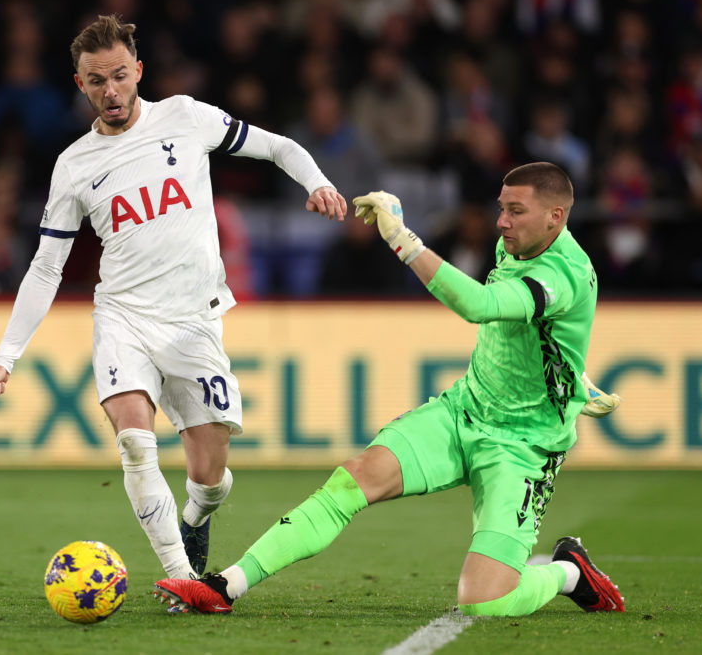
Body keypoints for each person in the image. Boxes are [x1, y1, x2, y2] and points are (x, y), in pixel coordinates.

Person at [154, 162, 625, 617]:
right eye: (502, 207)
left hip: (523, 448)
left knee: (487, 601)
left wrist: (402, 240)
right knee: (352, 479)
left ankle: (568, 572)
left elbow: (481, 306)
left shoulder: (562, 273)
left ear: (556, 216)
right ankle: (224, 586)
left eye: (516, 211)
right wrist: (569, 369)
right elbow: (536, 332)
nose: (501, 221)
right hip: (464, 412)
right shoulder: (518, 244)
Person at [0, 15, 346, 582]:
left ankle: (196, 516)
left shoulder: (185, 116)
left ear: (138, 71)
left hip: (195, 320)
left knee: (211, 476)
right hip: (124, 316)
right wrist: (6, 356)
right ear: (81, 85)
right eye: (96, 81)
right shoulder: (73, 166)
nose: (111, 90)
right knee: (135, 444)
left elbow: (277, 147)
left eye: (120, 75)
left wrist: (316, 181)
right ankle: (182, 577)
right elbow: (46, 266)